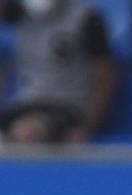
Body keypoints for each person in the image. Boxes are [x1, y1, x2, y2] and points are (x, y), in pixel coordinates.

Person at [0, 0, 117, 145]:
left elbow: (104, 78)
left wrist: (87, 127)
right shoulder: (22, 13)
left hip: (66, 108)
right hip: (28, 103)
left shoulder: (88, 18)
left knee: (26, 133)